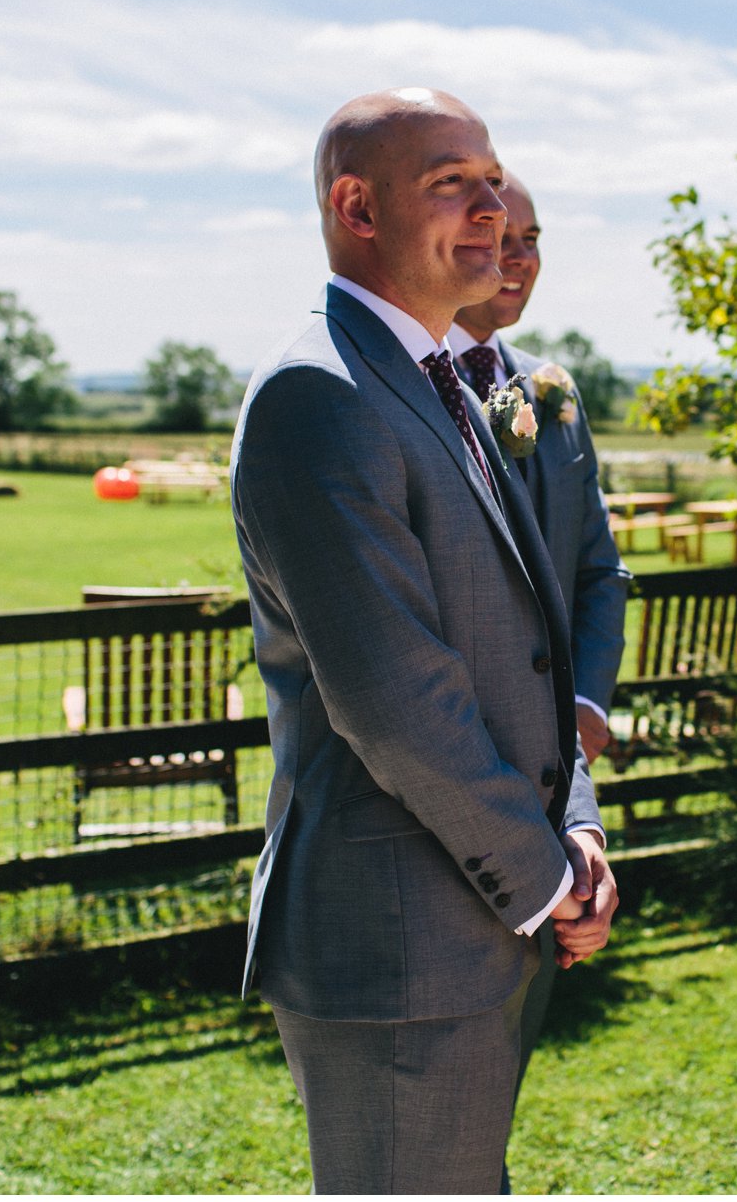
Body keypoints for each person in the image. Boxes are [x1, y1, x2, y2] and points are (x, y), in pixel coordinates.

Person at [229, 88, 615, 1193]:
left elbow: (530, 643)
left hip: (478, 922)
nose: (494, 206)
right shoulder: (321, 391)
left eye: (494, 178)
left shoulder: (441, 378)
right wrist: (548, 880)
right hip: (397, 942)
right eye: (455, 181)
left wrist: (574, 823)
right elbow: (397, 698)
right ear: (356, 206)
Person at [449, 180, 631, 1179]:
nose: (516, 257)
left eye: (531, 238)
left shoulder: (549, 393)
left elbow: (597, 569)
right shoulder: (401, 390)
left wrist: (585, 712)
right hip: (442, 798)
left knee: (480, 1130)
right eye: (493, 235)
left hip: (552, 790)